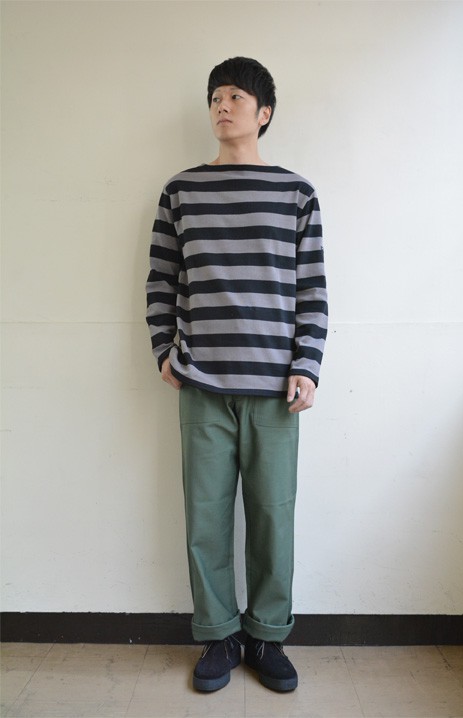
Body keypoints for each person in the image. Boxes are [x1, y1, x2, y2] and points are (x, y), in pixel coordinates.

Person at [146, 57, 327, 693]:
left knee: (274, 518)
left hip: (276, 391)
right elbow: (161, 277)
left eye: (235, 97)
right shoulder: (180, 191)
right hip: (202, 384)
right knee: (206, 518)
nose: (222, 106)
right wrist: (162, 349)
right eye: (215, 97)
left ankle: (267, 635)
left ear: (264, 112)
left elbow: (312, 289)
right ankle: (219, 634)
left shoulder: (296, 193)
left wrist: (307, 365)